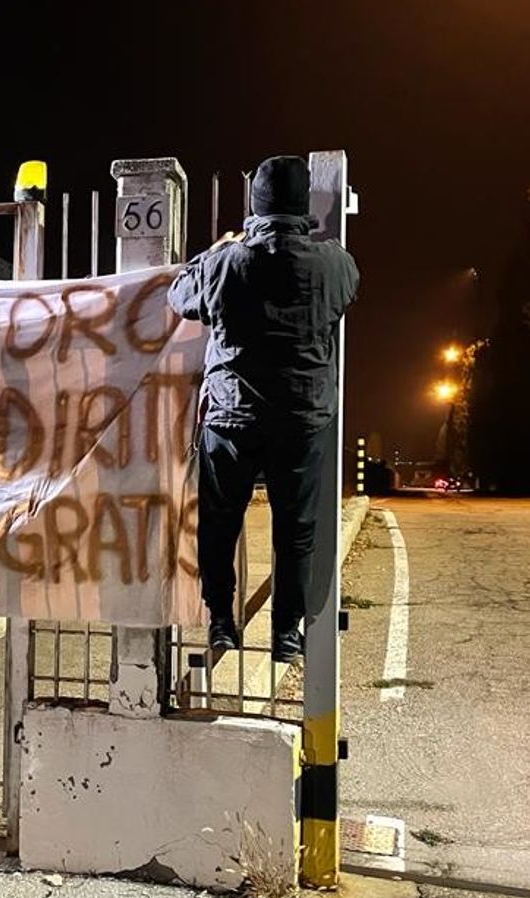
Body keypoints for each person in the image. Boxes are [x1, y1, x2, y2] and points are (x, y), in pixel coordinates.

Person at [168, 155, 360, 664]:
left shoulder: (224, 264)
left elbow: (178, 296)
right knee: (295, 532)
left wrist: (221, 248)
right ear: (304, 206)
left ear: (254, 203)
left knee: (219, 523)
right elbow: (348, 291)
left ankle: (221, 624)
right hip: (302, 418)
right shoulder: (335, 264)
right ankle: (287, 635)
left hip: (231, 418)